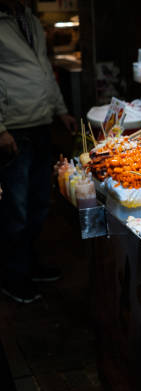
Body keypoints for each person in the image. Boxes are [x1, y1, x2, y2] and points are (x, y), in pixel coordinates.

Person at [0, 0, 77, 303]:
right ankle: (12, 276)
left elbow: (45, 68)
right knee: (15, 209)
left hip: (41, 122)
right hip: (14, 127)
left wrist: (60, 110)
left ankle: (28, 265)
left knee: (38, 204)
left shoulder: (30, 20)